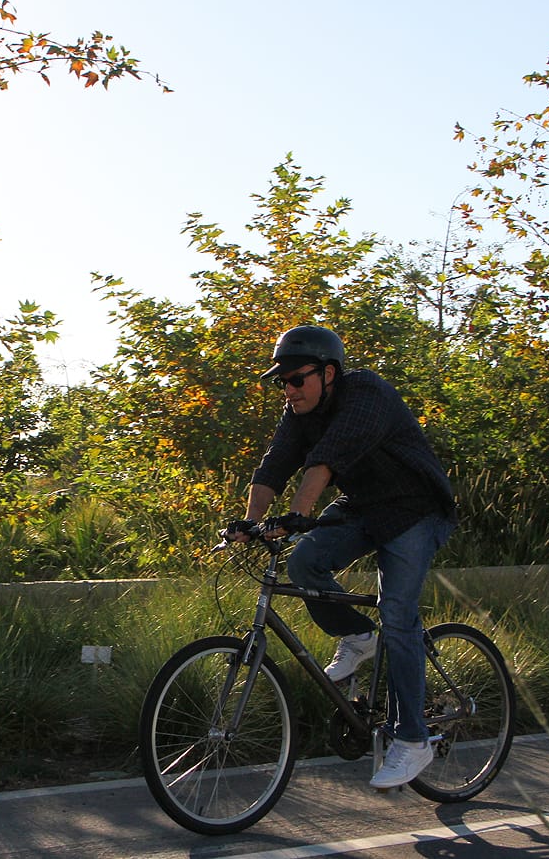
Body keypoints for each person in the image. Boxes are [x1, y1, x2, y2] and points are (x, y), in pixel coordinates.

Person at [225, 325, 457, 790]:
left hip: (416, 509)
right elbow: (274, 465)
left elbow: (326, 459)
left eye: (297, 379)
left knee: (398, 615)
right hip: (363, 507)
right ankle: (357, 636)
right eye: (283, 382)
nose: (289, 390)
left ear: (328, 373)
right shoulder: (298, 411)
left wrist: (297, 514)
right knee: (304, 563)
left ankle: (412, 739)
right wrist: (248, 523)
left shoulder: (366, 393)